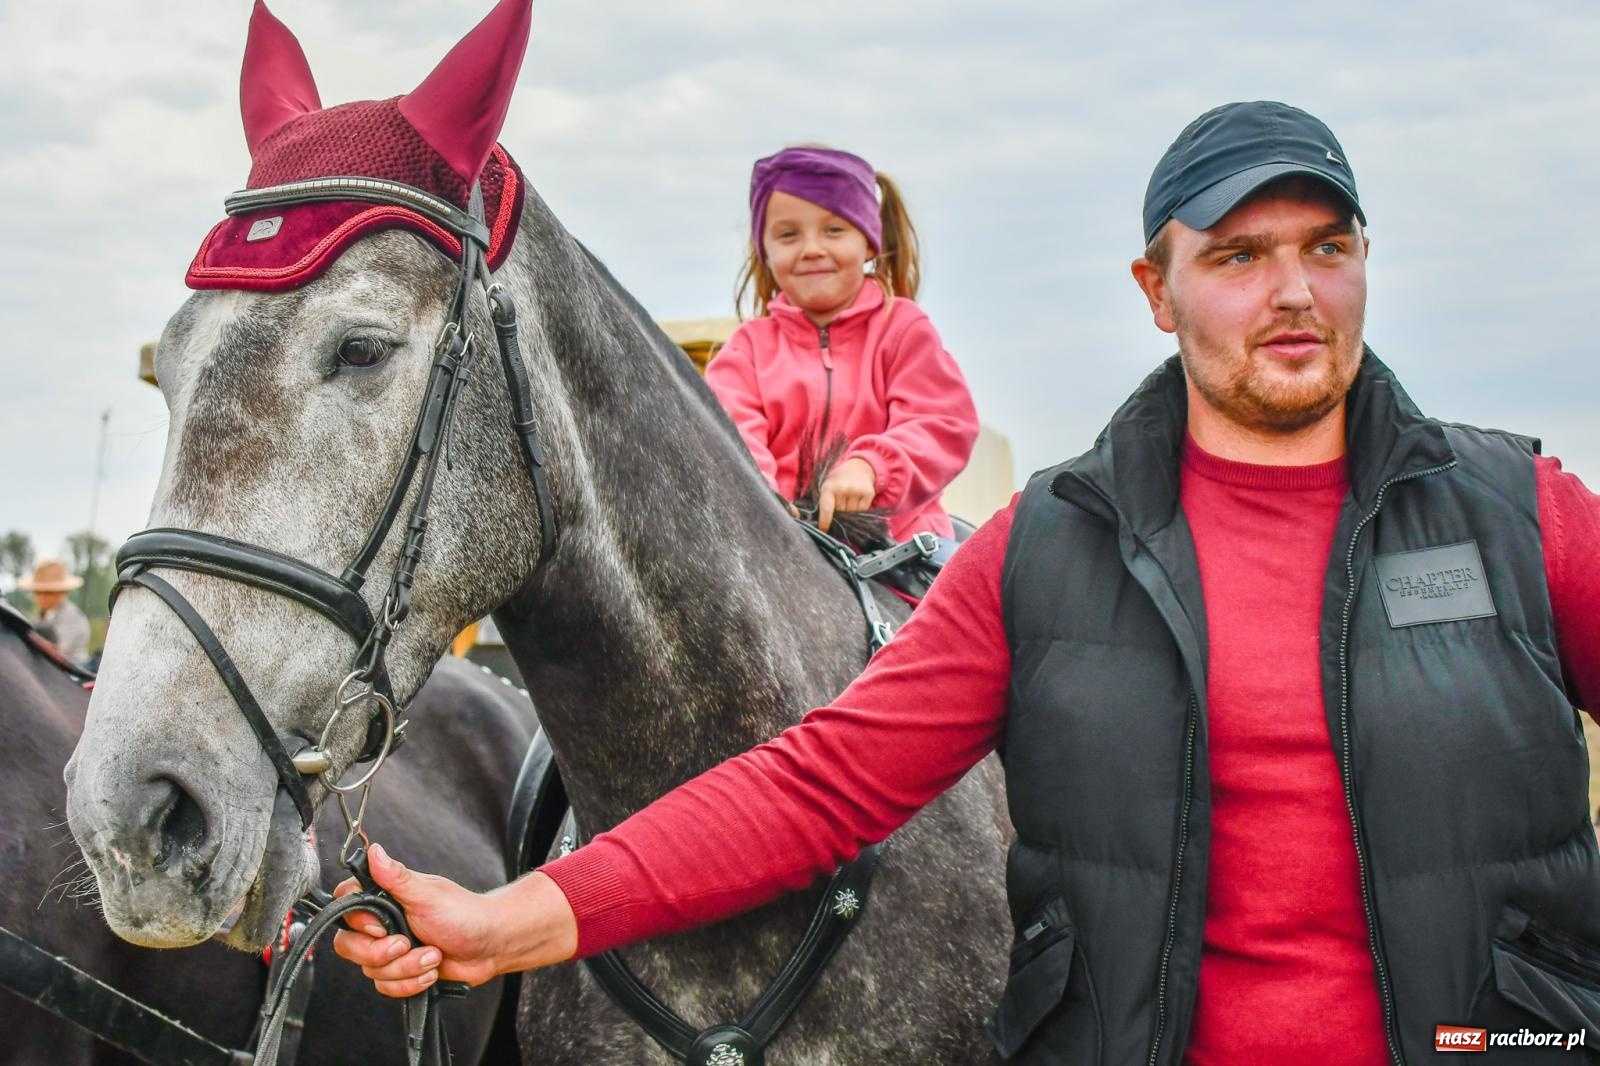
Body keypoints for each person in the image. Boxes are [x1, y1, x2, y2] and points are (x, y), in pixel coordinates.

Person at [333, 102, 1600, 1063]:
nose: (1292, 292)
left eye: (1327, 247)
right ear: (1155, 291)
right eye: (1235, 255)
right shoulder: (1044, 552)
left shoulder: (1520, 517)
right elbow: (818, 783)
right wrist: (523, 916)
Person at [704, 146, 979, 550]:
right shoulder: (746, 351)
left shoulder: (902, 329)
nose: (812, 248)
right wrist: (762, 499)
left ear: (869, 242)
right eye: (787, 234)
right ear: (765, 250)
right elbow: (728, 436)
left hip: (903, 547)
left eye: (834, 230)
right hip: (782, 543)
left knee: (983, 603)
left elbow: (940, 421)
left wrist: (871, 468)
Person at [20, 558, 91, 666]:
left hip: (73, 671)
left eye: (48, 593)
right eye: (38, 592)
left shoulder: (73, 617)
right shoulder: (37, 617)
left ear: (62, 592)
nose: (41, 597)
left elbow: (58, 652)